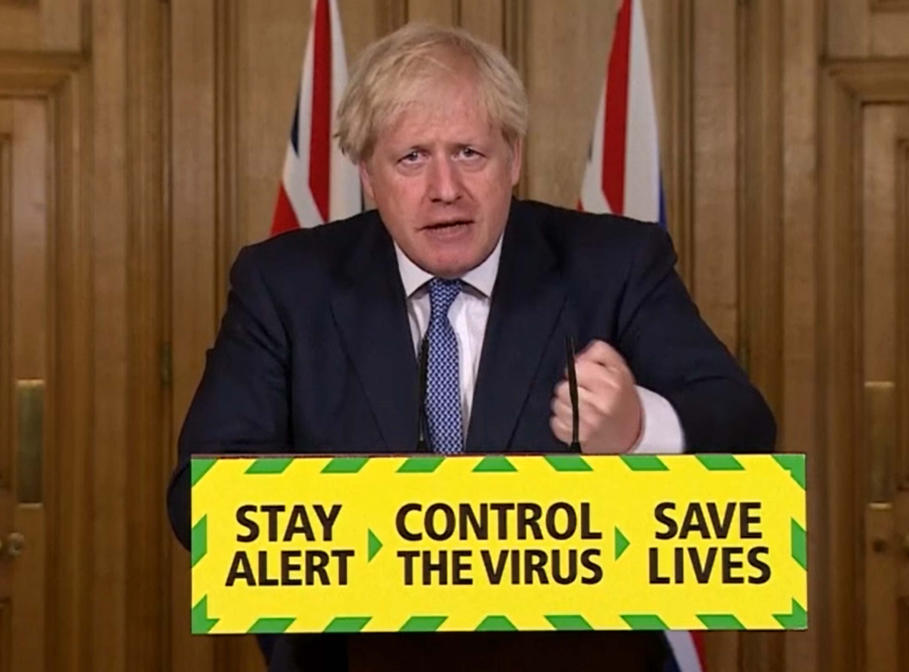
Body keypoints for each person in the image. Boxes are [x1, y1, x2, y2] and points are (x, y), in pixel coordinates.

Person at [167, 22, 775, 672]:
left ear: (513, 159)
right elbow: (200, 494)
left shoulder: (614, 265)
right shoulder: (285, 286)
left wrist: (638, 427)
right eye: (410, 158)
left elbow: (744, 425)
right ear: (368, 175)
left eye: (469, 153)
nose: (445, 188)